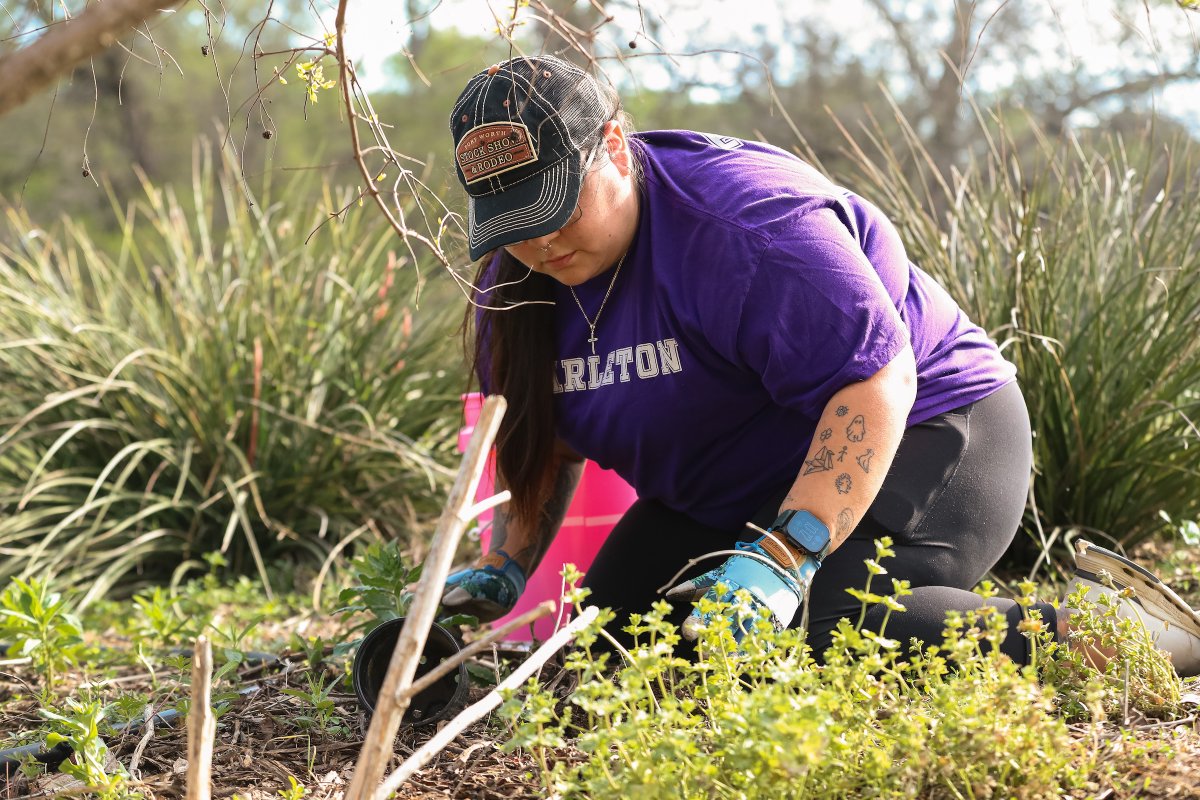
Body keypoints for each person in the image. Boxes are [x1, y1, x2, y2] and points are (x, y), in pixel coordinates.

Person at [439, 54, 1200, 675]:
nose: (539, 243)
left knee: (830, 623)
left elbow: (876, 381)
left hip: (929, 428)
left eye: (554, 207)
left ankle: (1141, 639)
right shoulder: (521, 288)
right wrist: (506, 564)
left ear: (612, 145)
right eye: (512, 223)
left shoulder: (748, 225)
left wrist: (784, 555)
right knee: (611, 652)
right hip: (740, 479)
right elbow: (549, 440)